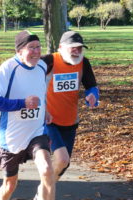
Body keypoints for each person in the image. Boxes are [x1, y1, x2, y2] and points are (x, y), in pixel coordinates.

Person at [0, 30, 55, 200]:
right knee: (10, 185)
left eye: (39, 47)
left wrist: (45, 111)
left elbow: (40, 92)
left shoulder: (42, 66)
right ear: (19, 51)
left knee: (47, 170)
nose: (37, 51)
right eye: (31, 47)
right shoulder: (8, 69)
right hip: (12, 136)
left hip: (36, 132)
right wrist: (22, 104)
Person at [41, 31, 99, 182]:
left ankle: (43, 192)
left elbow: (92, 86)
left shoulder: (83, 63)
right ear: (61, 47)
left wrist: (92, 96)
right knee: (61, 160)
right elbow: (28, 77)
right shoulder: (48, 61)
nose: (77, 51)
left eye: (80, 48)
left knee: (63, 165)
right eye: (73, 47)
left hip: (70, 121)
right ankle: (44, 192)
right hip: (48, 119)